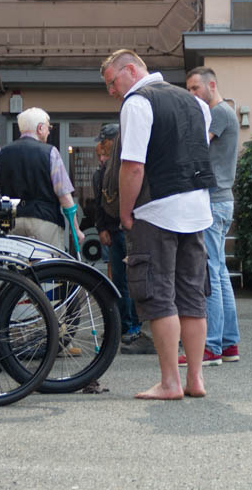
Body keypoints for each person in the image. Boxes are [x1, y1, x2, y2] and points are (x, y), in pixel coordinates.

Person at [101, 48, 215, 400]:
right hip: (196, 208)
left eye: (112, 82)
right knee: (192, 295)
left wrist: (124, 211)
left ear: (130, 70)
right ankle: (195, 379)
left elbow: (132, 165)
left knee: (159, 294)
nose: (111, 91)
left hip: (156, 210)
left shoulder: (138, 102)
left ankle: (170, 382)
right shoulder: (197, 104)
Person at [184, 67, 241, 366]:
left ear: (212, 85)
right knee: (219, 274)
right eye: (189, 89)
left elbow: (196, 147)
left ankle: (212, 346)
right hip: (222, 200)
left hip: (214, 201)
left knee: (210, 275)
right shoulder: (225, 112)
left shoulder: (218, 113)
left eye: (195, 88)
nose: (192, 94)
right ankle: (228, 344)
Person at [0, 107, 85, 252]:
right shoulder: (50, 152)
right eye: (48, 127)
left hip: (13, 222)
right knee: (48, 269)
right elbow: (64, 196)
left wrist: (4, 214)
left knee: (16, 271)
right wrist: (76, 229)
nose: (49, 131)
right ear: (40, 128)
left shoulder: (1, 153)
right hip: (46, 221)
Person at [93, 123, 150, 354]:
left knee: (131, 280)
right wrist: (102, 227)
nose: (102, 146)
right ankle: (127, 326)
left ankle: (135, 327)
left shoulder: (127, 161)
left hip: (129, 227)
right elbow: (100, 202)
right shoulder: (105, 168)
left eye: (104, 141)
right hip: (117, 228)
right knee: (121, 281)